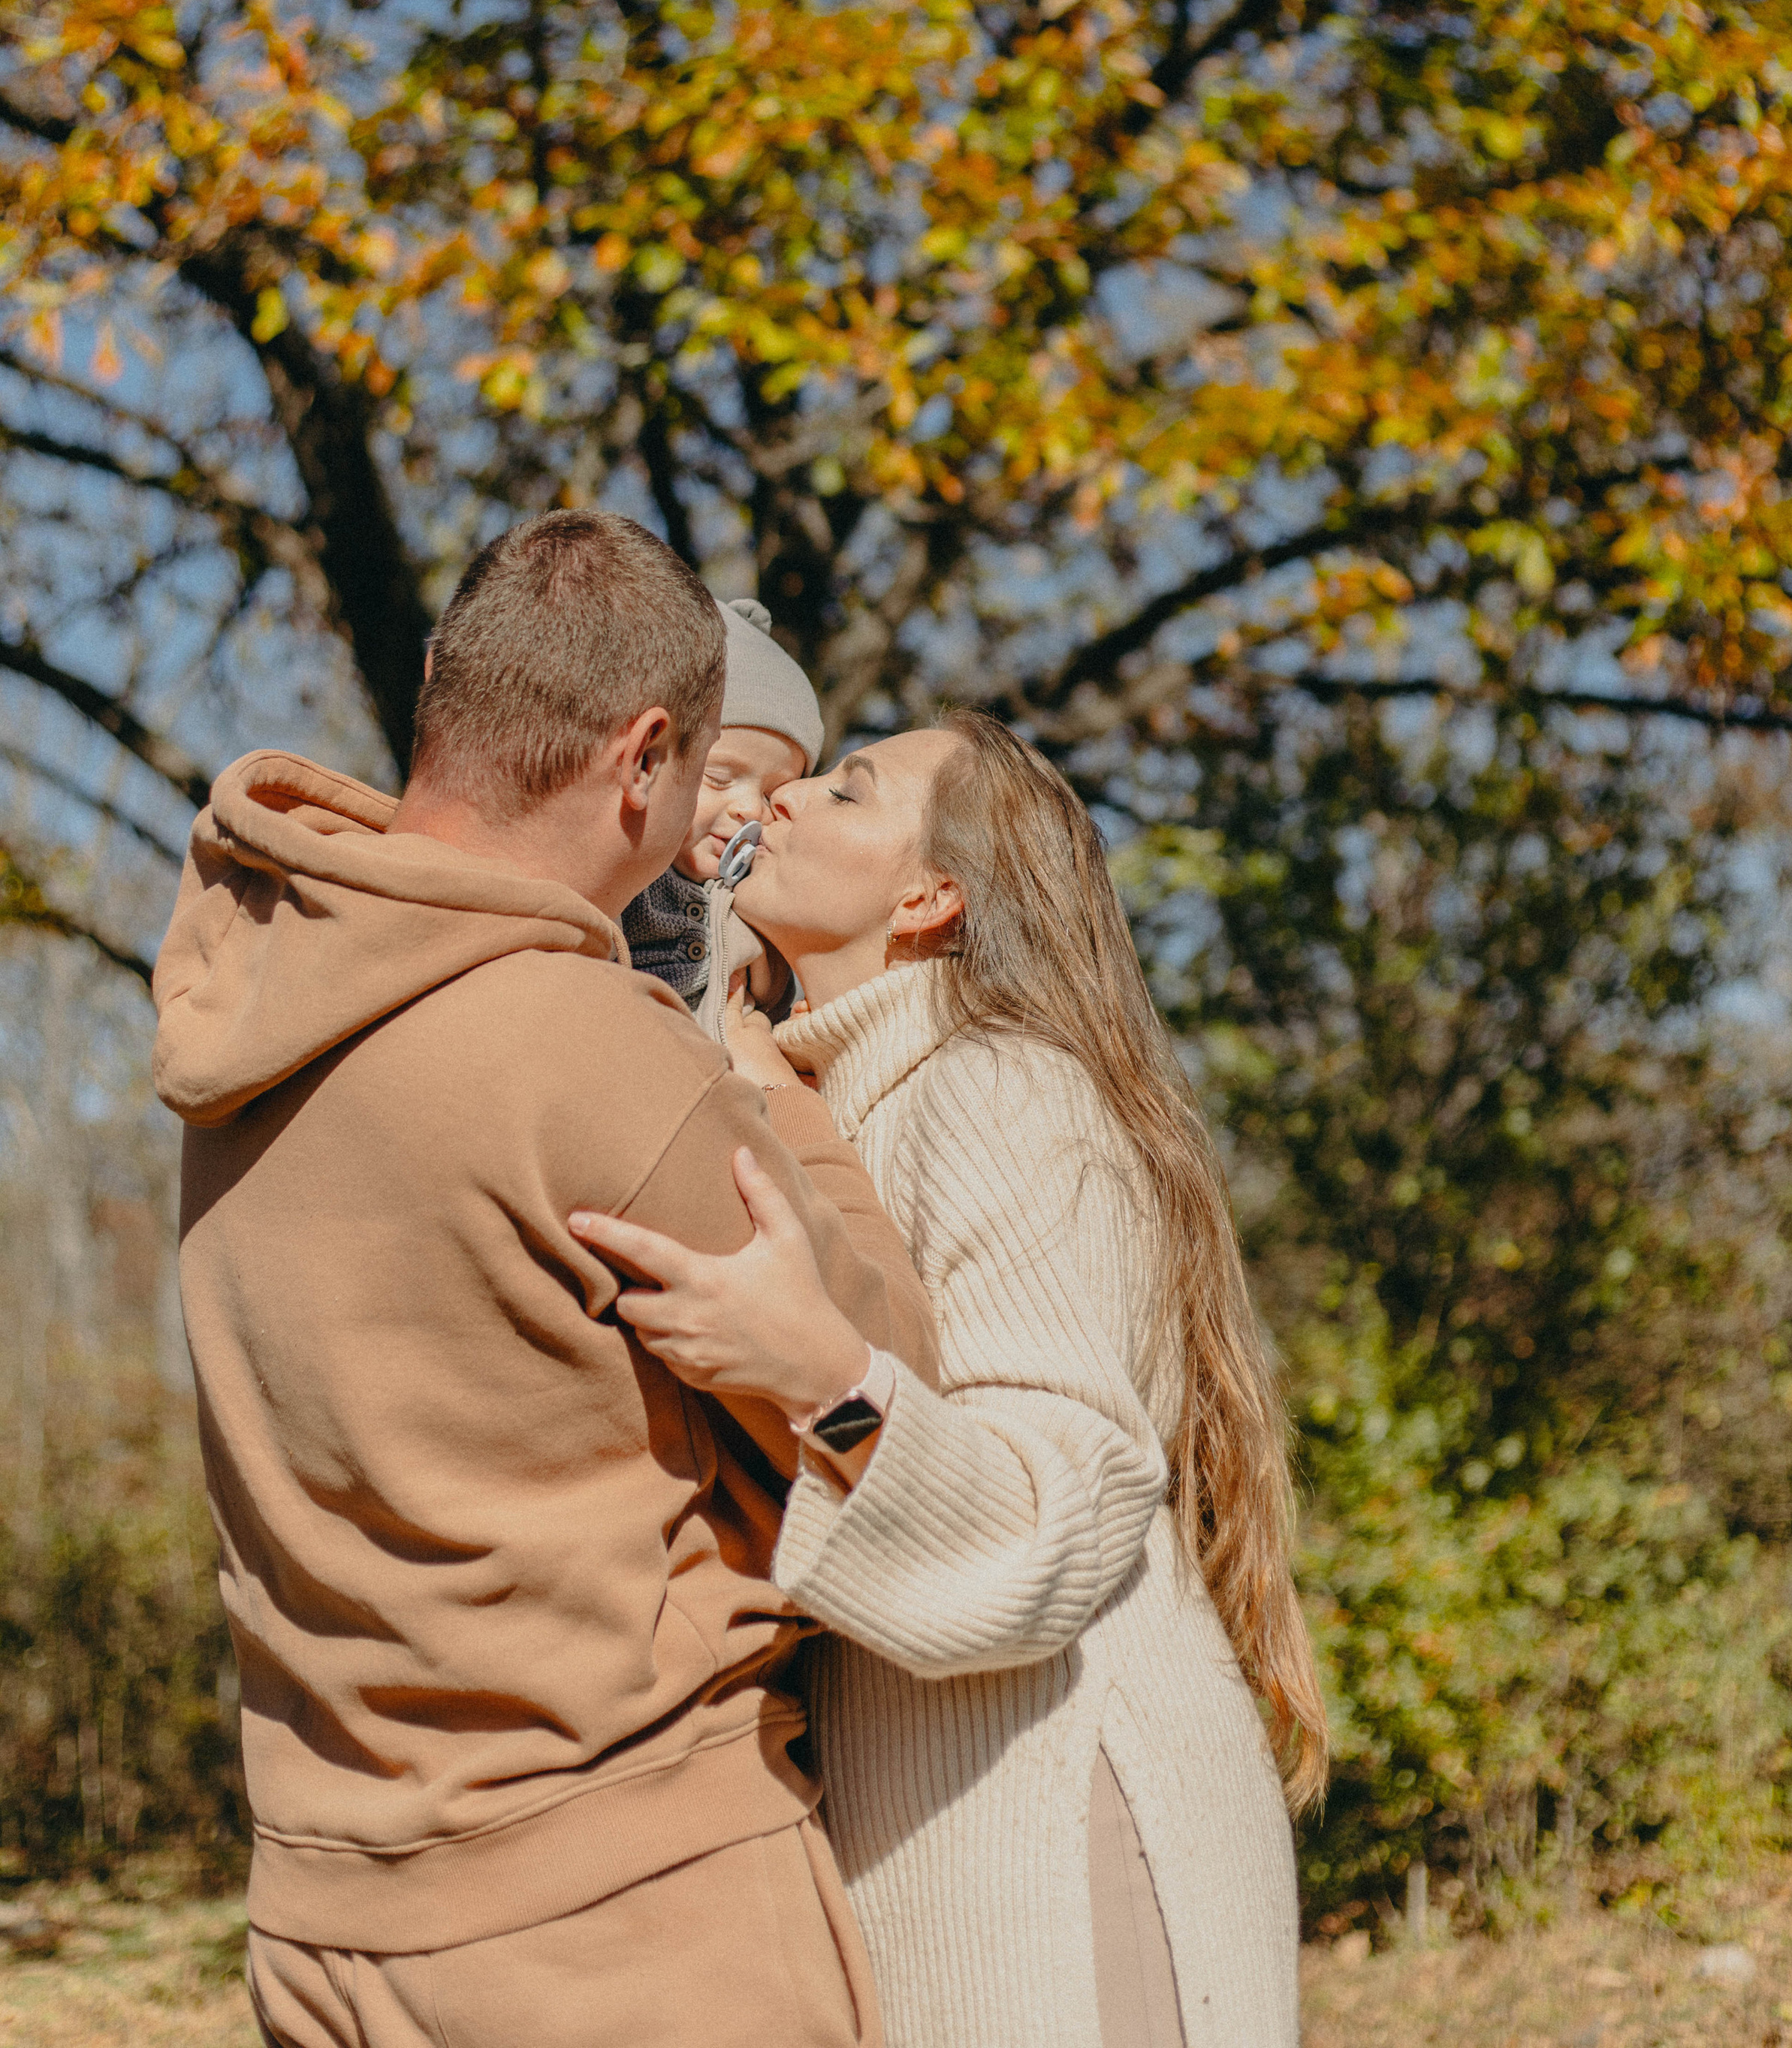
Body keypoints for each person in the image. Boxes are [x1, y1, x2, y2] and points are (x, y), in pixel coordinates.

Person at [152, 512, 938, 2048]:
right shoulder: (586, 1051)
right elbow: (896, 1381)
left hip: (329, 1919)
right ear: (644, 756)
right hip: (627, 1923)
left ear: (446, 684)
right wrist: (763, 1081)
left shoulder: (252, 1016)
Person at [572, 712, 1328, 2048]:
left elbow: (1066, 1513)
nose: (786, 797)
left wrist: (821, 1371)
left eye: (849, 792)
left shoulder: (995, 1091)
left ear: (931, 897)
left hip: (1063, 1843)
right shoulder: (847, 1104)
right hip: (958, 1839)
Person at [620, 596, 822, 1041]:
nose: (751, 810)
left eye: (774, 794)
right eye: (718, 777)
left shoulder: (761, 896)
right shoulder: (621, 876)